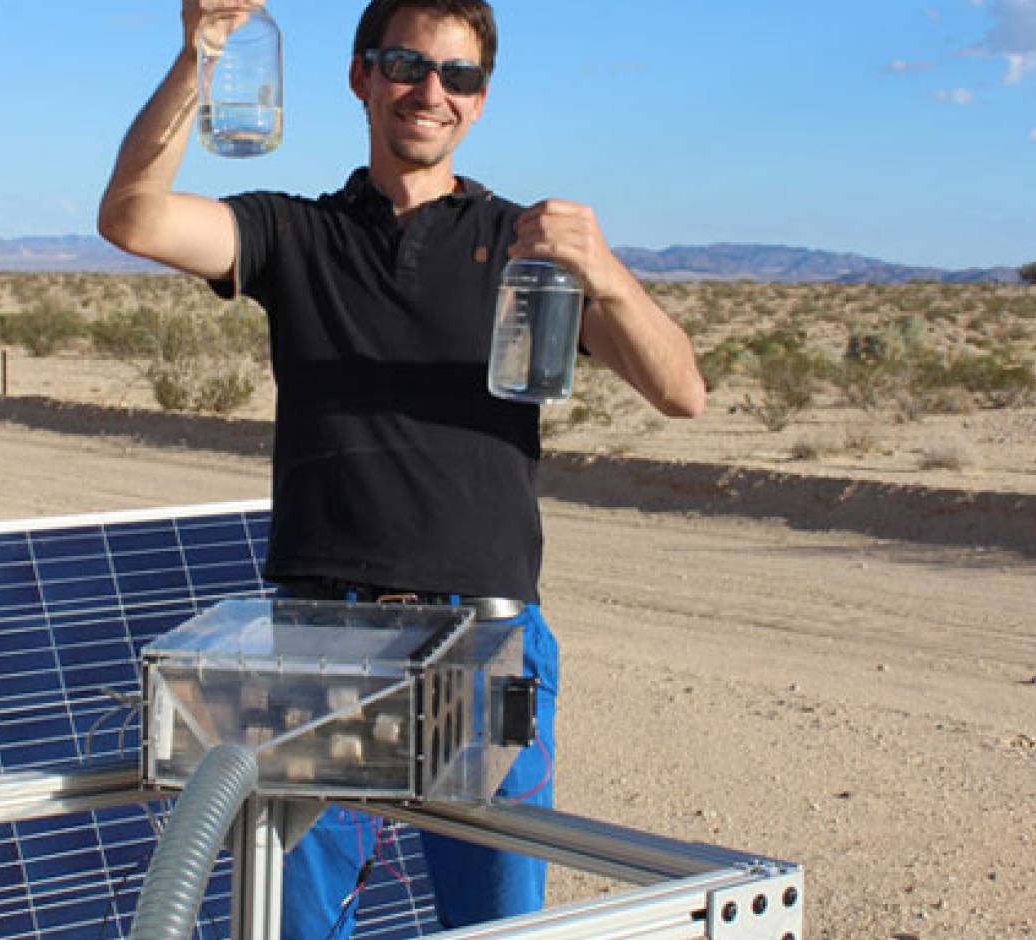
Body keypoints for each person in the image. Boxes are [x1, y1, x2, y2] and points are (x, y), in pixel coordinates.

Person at [98, 0, 706, 935]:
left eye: (457, 76)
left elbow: (682, 392)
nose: (431, 93)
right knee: (290, 925)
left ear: (481, 99)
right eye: (405, 65)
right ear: (360, 77)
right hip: (313, 643)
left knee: (491, 926)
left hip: (488, 640)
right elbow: (133, 218)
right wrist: (198, 58)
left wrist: (609, 272)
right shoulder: (294, 235)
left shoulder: (525, 250)